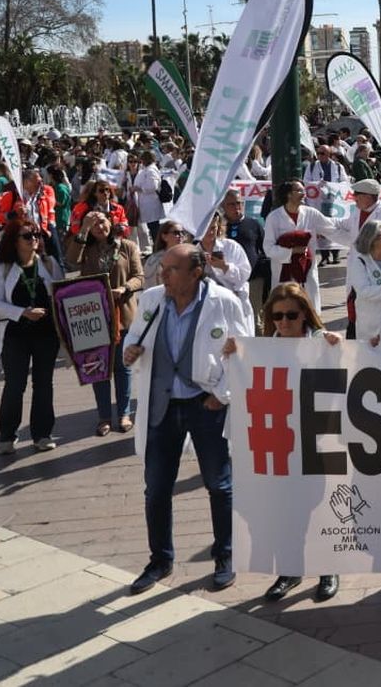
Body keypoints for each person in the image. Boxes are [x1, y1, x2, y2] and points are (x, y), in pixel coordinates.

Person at [123, 244, 254, 595]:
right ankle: (160, 559)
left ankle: (225, 555)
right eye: (162, 268)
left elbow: (244, 351)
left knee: (218, 484)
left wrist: (221, 394)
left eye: (172, 269)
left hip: (204, 404)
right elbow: (133, 338)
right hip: (161, 406)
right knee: (156, 489)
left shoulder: (224, 302)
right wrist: (130, 352)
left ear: (196, 273)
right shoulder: (152, 301)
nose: (163, 275)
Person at [237, 284, 344, 604]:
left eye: (291, 315)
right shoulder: (262, 350)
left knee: (319, 506)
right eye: (277, 315)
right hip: (280, 441)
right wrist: (233, 355)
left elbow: (344, 379)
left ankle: (329, 569)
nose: (283, 322)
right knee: (286, 509)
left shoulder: (322, 344)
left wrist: (337, 347)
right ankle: (290, 570)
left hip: (318, 439)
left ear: (304, 315)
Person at [66, 210, 143, 435]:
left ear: (111, 221)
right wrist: (83, 228)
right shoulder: (85, 248)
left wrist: (125, 288)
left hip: (123, 315)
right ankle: (104, 417)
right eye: (94, 223)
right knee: (98, 368)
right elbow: (71, 261)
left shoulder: (127, 246)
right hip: (93, 317)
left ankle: (124, 414)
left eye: (102, 221)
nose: (100, 226)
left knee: (122, 368)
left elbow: (139, 276)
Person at [0, 220, 61, 454]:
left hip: (46, 334)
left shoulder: (49, 264)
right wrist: (23, 313)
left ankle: (42, 434)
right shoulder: (3, 268)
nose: (34, 239)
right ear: (14, 241)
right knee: (14, 384)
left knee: (43, 384)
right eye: (27, 236)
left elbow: (62, 293)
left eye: (36, 235)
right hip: (15, 335)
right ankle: (7, 435)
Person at [263, 180, 339, 312]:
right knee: (287, 311)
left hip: (307, 271)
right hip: (284, 273)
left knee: (309, 310)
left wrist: (354, 227)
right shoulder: (273, 218)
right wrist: (292, 251)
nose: (303, 193)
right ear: (288, 195)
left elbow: (331, 227)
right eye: (299, 191)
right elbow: (268, 249)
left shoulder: (311, 213)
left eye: (303, 190)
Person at [219, 189, 268, 323]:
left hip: (252, 280)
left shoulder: (253, 224)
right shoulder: (218, 227)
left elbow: (264, 248)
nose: (237, 207)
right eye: (231, 204)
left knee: (253, 318)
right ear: (223, 206)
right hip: (225, 282)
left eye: (239, 203)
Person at [130, 150, 166, 252]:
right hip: (147, 203)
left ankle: (159, 248)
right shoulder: (147, 169)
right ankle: (157, 248)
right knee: (152, 227)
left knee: (154, 228)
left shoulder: (151, 170)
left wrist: (138, 188)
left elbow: (153, 186)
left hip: (151, 203)